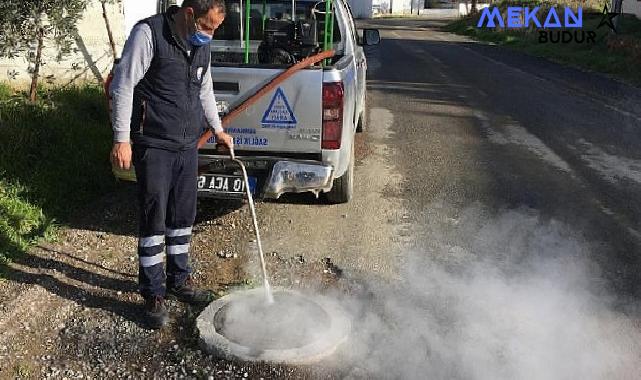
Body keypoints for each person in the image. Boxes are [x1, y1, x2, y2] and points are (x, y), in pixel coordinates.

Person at [109, 0, 233, 329]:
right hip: (154, 143)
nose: (211, 33)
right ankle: (153, 293)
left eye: (216, 28)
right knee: (155, 216)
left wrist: (217, 129)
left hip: (187, 144)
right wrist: (122, 138)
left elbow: (204, 88)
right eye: (207, 26)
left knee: (183, 214)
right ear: (189, 14)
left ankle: (179, 279)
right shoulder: (149, 34)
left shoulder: (200, 46)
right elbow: (123, 84)